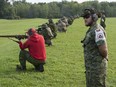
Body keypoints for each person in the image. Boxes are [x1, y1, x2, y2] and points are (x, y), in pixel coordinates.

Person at [81, 7, 108, 87]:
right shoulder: (91, 30)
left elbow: (104, 51)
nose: (85, 19)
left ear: (94, 17)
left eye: (87, 17)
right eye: (84, 17)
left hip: (96, 70)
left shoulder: (97, 30)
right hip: (91, 69)